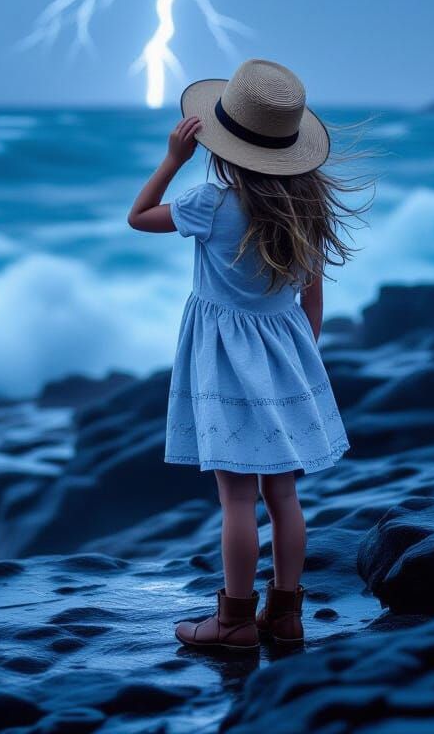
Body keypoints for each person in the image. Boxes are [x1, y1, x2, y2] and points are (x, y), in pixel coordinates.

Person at [127, 58, 367, 653]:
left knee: (236, 498)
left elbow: (137, 217)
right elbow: (313, 304)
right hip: (286, 359)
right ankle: (285, 615)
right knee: (283, 495)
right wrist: (299, 368)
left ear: (221, 141)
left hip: (224, 368)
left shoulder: (208, 202)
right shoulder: (308, 209)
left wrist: (172, 161)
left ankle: (233, 621)